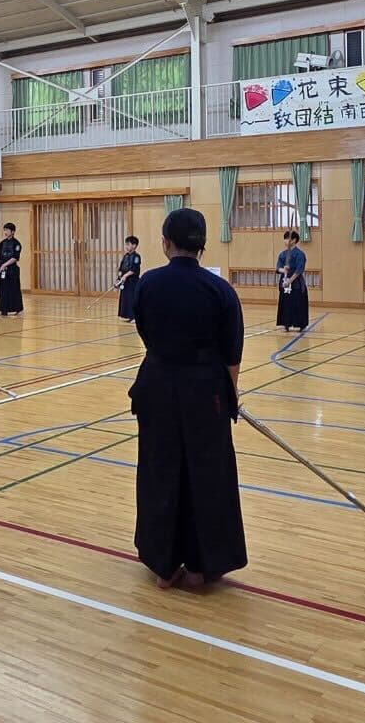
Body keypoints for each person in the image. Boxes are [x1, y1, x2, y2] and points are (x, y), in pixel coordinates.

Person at [129, 207, 247, 588]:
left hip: (158, 385)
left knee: (159, 471)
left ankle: (163, 565)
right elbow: (232, 352)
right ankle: (202, 566)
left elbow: (146, 334)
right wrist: (231, 395)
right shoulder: (220, 290)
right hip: (205, 392)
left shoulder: (147, 284)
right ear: (203, 245)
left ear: (165, 244)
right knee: (207, 475)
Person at [275, 230, 309, 332]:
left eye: (288, 239)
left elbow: (299, 269)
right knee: (285, 303)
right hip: (284, 280)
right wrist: (283, 270)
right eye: (284, 239)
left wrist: (290, 281)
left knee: (297, 302)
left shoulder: (299, 254)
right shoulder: (282, 254)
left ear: (294, 240)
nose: (285, 241)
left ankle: (300, 324)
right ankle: (286, 324)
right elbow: (278, 268)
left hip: (296, 282)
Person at [0, 223, 23, 316]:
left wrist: (5, 264)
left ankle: (17, 309)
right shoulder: (2, 243)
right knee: (3, 290)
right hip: (3, 271)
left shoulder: (17, 244)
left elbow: (15, 257)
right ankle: (3, 310)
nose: (5, 232)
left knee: (14, 290)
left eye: (7, 230)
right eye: (5, 230)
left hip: (12, 271)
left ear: (13, 232)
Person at [116, 235, 142, 323]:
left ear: (134, 246)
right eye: (126, 244)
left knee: (132, 298)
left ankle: (135, 316)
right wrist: (119, 277)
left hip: (132, 281)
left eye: (128, 244)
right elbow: (121, 268)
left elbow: (134, 269)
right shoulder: (125, 256)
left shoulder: (136, 257)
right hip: (125, 282)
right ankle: (128, 315)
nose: (126, 246)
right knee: (125, 298)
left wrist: (125, 276)